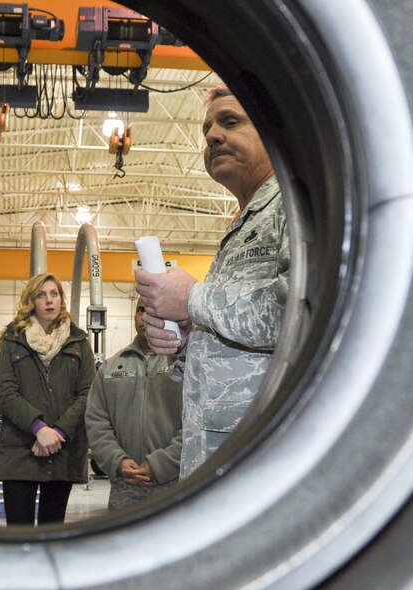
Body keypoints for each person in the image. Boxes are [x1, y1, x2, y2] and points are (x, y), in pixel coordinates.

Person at [135, 84, 290, 478]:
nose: (213, 136)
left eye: (231, 122)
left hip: (265, 455)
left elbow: (298, 310)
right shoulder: (244, 221)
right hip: (219, 455)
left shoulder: (296, 206)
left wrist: (192, 300)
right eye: (207, 131)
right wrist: (187, 340)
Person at [0, 273, 95, 525]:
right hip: (22, 449)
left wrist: (57, 432)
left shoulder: (79, 340)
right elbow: (6, 393)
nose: (49, 301)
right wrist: (38, 428)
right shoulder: (13, 338)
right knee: (19, 535)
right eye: (41, 295)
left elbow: (88, 393)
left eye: (54, 294)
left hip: (62, 452)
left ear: (61, 300)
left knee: (52, 531)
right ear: (32, 301)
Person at [85, 303, 183, 510]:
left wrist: (161, 464)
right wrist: (117, 461)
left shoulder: (185, 364)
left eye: (153, 309)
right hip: (125, 487)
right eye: (140, 310)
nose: (145, 316)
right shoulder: (110, 368)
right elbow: (96, 422)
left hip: (175, 484)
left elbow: (196, 422)